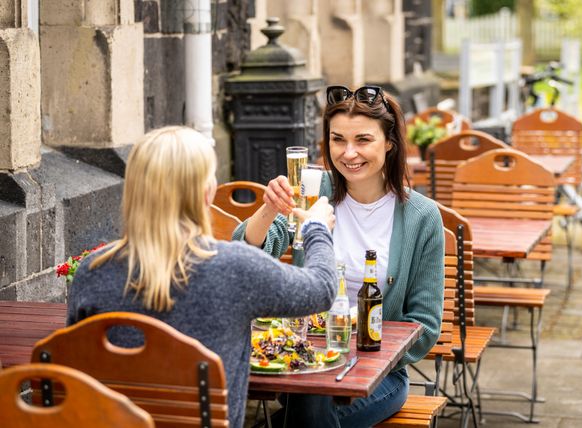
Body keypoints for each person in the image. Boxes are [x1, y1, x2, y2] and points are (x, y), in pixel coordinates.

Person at [66, 126, 338, 428]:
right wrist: (317, 229)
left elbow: (78, 372)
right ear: (207, 192)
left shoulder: (92, 272)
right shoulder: (235, 268)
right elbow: (323, 289)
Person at [233, 86, 445, 427]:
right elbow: (247, 254)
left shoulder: (421, 216)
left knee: (308, 412)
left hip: (377, 376)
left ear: (389, 143)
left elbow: (425, 325)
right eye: (337, 140)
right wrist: (270, 209)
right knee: (308, 403)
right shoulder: (314, 190)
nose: (349, 153)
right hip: (304, 363)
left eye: (363, 140)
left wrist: (359, 349)